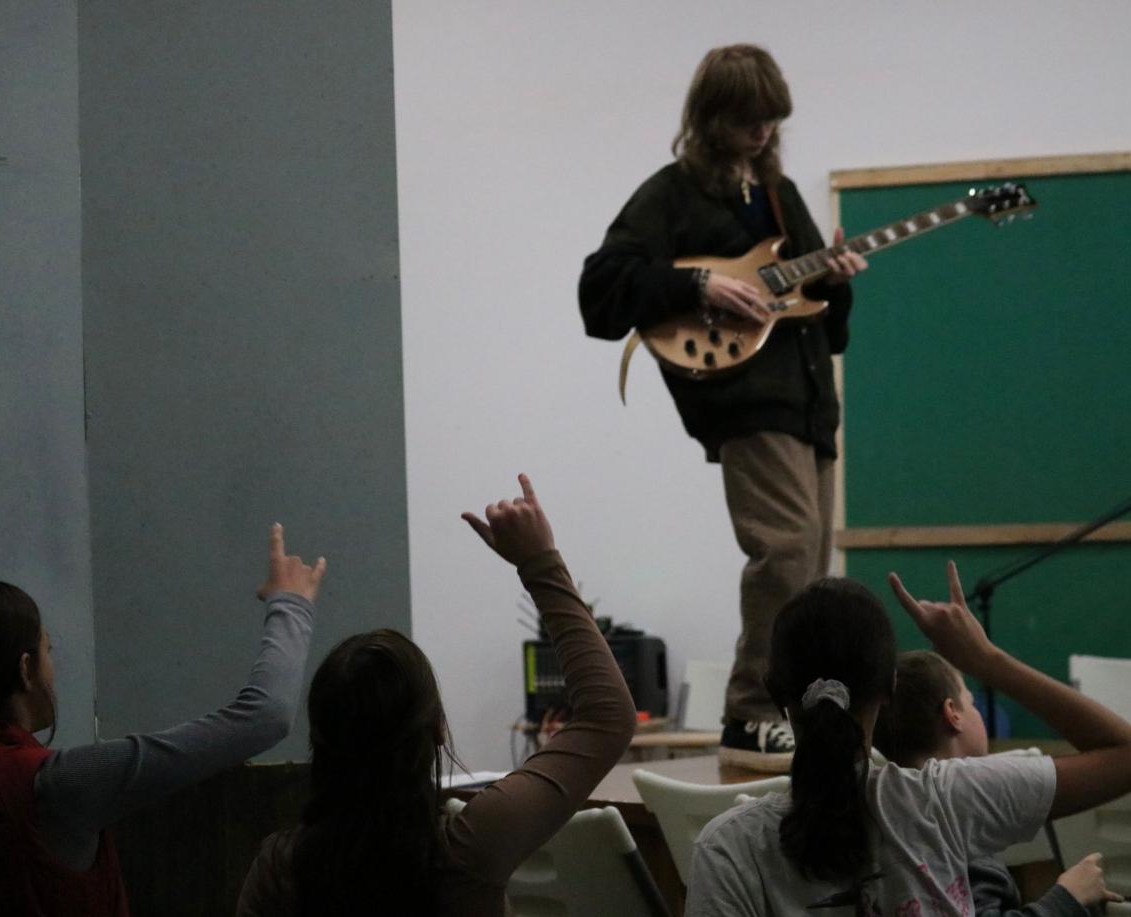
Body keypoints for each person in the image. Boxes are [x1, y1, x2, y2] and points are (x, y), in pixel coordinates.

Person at [578, 44, 868, 771]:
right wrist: (699, 284)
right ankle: (750, 712)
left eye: (772, 121)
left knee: (813, 570)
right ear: (711, 119)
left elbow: (825, 324)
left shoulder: (780, 193)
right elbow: (601, 290)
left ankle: (798, 709)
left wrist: (836, 281)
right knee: (786, 549)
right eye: (748, 121)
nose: (763, 133)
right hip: (748, 402)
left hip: (810, 402)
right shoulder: (672, 195)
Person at [235, 474, 637, 917]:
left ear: (320, 738)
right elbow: (607, 718)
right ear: (438, 729)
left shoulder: (279, 867)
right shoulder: (472, 844)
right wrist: (539, 562)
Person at [686, 561, 1131, 916]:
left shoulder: (727, 849)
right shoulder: (945, 801)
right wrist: (985, 659)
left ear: (774, 691)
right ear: (889, 688)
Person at [0, 524, 325, 916]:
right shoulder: (55, 786)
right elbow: (265, 717)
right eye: (48, 650)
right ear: (25, 669)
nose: (54, 668)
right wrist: (290, 604)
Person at [873, 650, 1122, 916]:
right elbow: (1120, 754)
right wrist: (1069, 897)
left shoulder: (887, 809)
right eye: (972, 703)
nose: (977, 712)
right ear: (953, 713)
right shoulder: (956, 829)